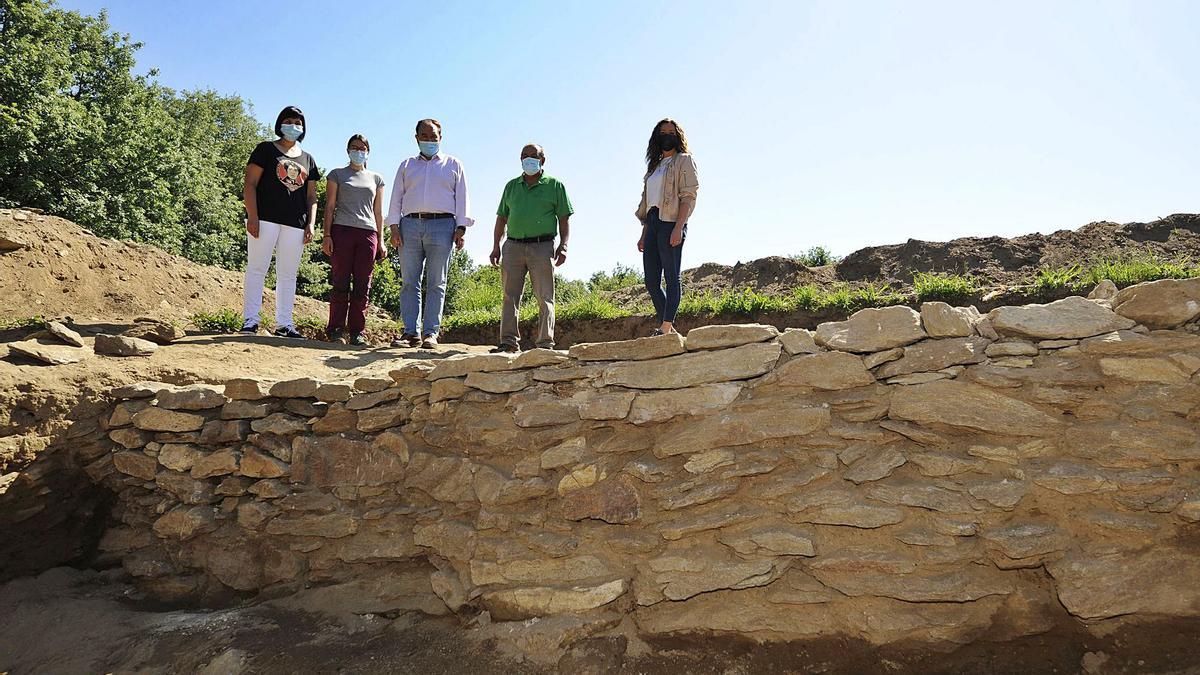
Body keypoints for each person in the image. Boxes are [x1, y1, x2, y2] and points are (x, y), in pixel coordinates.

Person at [386, 118, 472, 349]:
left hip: (443, 225)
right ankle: (410, 333)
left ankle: (430, 334)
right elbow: (396, 198)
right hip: (409, 225)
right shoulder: (406, 165)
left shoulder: (453, 164)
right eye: (425, 136)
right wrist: (394, 227)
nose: (429, 140)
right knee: (409, 282)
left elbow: (462, 198)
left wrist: (460, 228)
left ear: (440, 138)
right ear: (416, 138)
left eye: (433, 136)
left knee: (437, 282)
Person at [242, 105, 321, 338]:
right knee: (257, 269)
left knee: (288, 274)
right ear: (280, 124)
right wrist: (252, 216)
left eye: (298, 122)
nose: (293, 126)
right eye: (289, 121)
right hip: (264, 219)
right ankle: (250, 321)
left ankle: (285, 324)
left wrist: (311, 224)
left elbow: (312, 197)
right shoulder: (265, 149)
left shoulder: (308, 159)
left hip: (295, 224)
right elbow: (250, 184)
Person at [489, 144, 572, 353]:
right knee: (510, 296)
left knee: (545, 297)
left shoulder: (555, 186)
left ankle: (545, 343)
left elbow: (564, 219)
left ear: (542, 160)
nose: (528, 160)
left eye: (533, 156)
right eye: (524, 156)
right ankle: (508, 342)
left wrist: (564, 246)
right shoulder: (511, 186)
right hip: (513, 246)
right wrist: (496, 246)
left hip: (542, 247)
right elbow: (501, 218)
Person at [635, 118, 698, 336]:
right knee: (651, 281)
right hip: (652, 222)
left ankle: (665, 326)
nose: (667, 136)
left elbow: (689, 196)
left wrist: (679, 226)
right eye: (663, 132)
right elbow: (647, 201)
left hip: (671, 222)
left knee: (672, 276)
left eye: (671, 132)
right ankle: (668, 328)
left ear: (678, 136)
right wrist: (644, 233)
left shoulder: (684, 161)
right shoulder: (654, 166)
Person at [322, 134, 387, 346]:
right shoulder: (337, 175)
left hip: (368, 234)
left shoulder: (376, 179)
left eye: (362, 147)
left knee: (363, 284)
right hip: (342, 231)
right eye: (354, 147)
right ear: (348, 150)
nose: (358, 151)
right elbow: (330, 207)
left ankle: (357, 332)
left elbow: (378, 212)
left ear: (368, 151)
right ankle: (336, 330)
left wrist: (381, 240)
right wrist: (327, 235)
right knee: (340, 281)